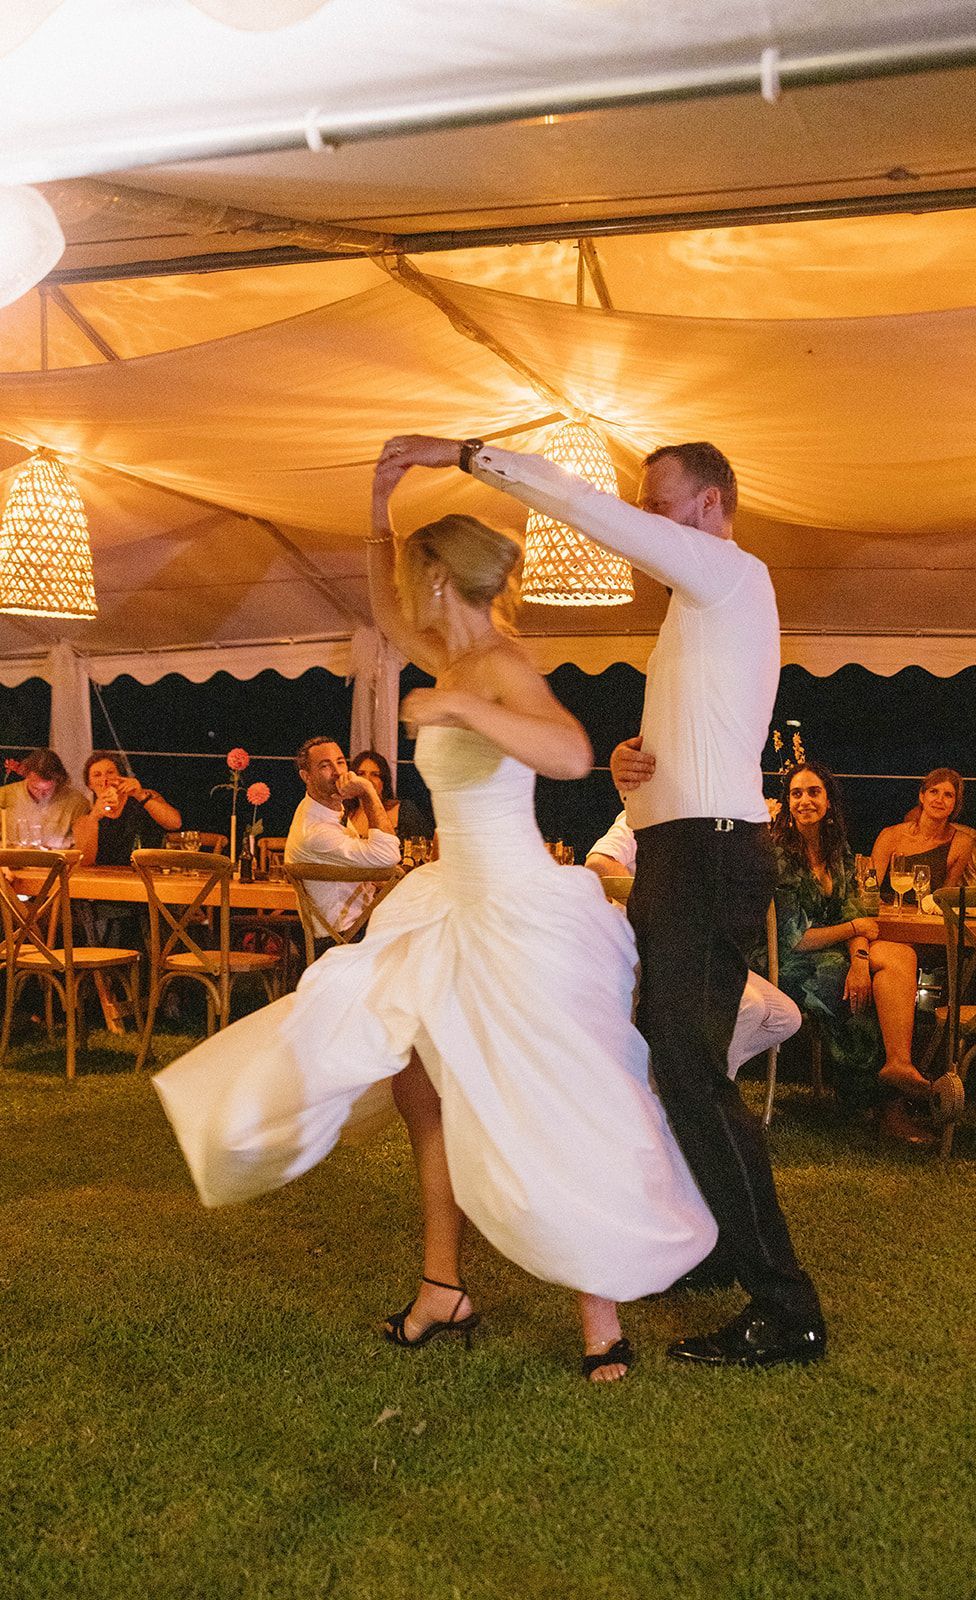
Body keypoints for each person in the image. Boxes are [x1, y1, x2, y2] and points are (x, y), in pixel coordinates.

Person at [154, 453, 715, 1383]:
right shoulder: (448, 651)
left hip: (514, 912)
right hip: (449, 902)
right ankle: (442, 1286)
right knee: (421, 1093)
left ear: (444, 580)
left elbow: (571, 754)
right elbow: (382, 609)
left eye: (419, 575)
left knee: (555, 1094)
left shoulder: (492, 665)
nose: (408, 594)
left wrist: (460, 705)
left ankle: (598, 1319)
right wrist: (379, 504)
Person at [381, 432, 823, 1371]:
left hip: (709, 856)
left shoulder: (727, 572)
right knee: (676, 1057)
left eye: (659, 505)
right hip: (679, 847)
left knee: (691, 1071)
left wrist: (466, 455)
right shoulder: (697, 614)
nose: (647, 522)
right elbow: (702, 744)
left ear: (709, 504)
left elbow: (594, 514)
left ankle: (787, 1310)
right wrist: (634, 774)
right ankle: (710, 1246)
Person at [772, 763, 964, 1142]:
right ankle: (884, 1111)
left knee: (900, 955)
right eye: (797, 793)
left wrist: (860, 957)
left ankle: (898, 1063)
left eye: (814, 792)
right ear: (787, 803)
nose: (805, 800)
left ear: (828, 800)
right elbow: (794, 938)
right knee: (862, 1003)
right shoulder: (780, 853)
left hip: (831, 948)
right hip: (783, 959)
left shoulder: (836, 849)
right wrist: (855, 932)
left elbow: (852, 909)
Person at [585, 809, 802, 1080]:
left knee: (785, 1018)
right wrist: (663, 907)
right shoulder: (645, 814)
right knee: (749, 1007)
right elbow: (598, 862)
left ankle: (688, 1085)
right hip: (649, 944)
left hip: (699, 949)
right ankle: (697, 1099)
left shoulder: (719, 828)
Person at [285, 737, 401, 953]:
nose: (338, 772)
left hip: (359, 925)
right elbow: (390, 855)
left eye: (340, 762)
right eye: (325, 766)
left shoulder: (324, 808)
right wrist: (368, 792)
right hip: (344, 937)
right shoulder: (316, 831)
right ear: (306, 776)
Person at [870, 768, 973, 900]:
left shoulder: (962, 843)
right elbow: (869, 891)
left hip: (928, 917)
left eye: (948, 795)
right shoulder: (890, 835)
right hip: (886, 914)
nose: (939, 800)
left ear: (955, 803)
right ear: (922, 796)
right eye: (933, 792)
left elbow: (945, 898)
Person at [72, 751, 182, 866]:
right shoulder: (85, 818)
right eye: (97, 775)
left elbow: (175, 823)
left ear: (121, 776)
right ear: (89, 784)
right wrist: (94, 816)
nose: (105, 779)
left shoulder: (145, 797)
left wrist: (140, 795)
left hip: (149, 874)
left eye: (110, 772)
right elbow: (84, 862)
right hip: (108, 879)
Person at [0, 747, 88, 846]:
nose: (41, 794)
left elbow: (82, 847)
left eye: (48, 789)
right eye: (35, 788)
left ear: (58, 781)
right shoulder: (4, 796)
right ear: (26, 777)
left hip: (58, 860)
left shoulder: (76, 802)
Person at [348, 748, 432, 842]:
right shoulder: (345, 814)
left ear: (384, 781)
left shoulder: (404, 810)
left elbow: (425, 846)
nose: (367, 780)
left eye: (375, 775)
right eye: (361, 774)